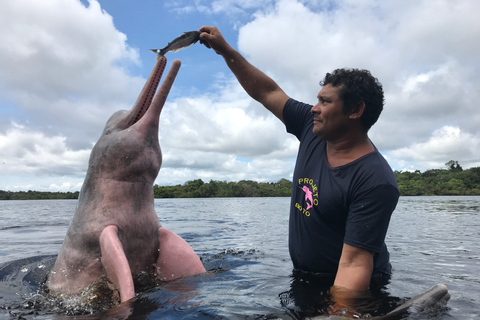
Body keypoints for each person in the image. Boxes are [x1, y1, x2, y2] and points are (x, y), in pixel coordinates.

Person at [199, 26, 399, 317]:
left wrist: (340, 311)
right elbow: (267, 91)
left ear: (355, 111)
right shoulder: (311, 128)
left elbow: (355, 263)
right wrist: (226, 51)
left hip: (359, 288)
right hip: (304, 278)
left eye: (325, 102)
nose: (314, 108)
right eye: (317, 99)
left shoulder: (375, 180)